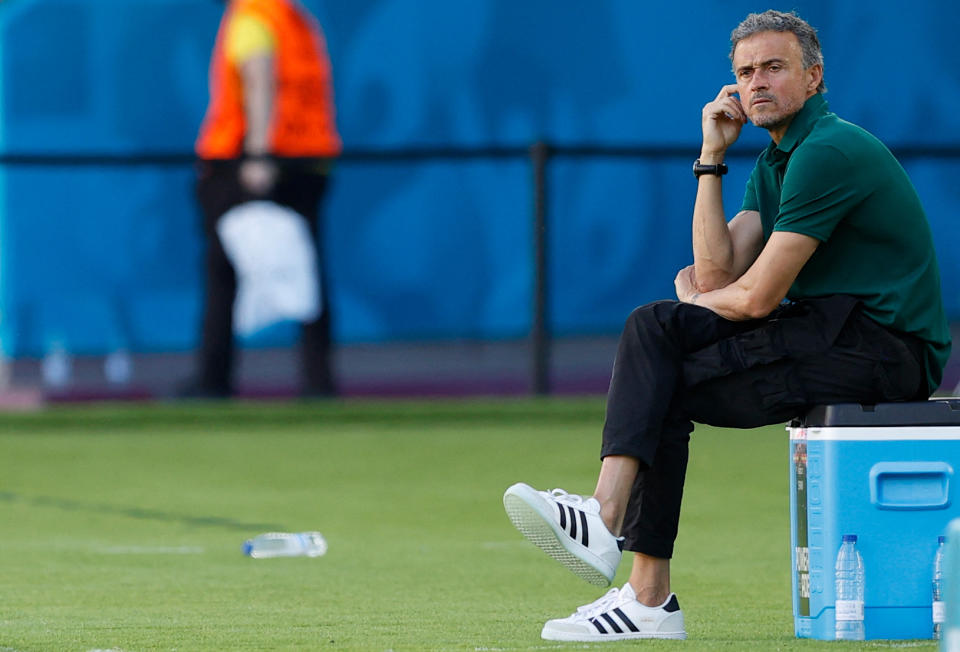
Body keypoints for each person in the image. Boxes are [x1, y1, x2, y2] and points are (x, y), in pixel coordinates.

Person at [503, 9, 951, 642]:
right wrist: (711, 157)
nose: (757, 83)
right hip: (829, 329)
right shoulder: (776, 164)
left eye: (774, 67)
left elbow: (754, 296)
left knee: (658, 327)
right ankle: (646, 597)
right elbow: (720, 278)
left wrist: (695, 297)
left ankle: (608, 524)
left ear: (813, 76)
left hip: (883, 346)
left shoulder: (828, 150)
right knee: (659, 355)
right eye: (745, 72)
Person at [185, 0, 341, 398]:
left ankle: (213, 380)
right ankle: (318, 382)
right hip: (308, 161)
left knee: (222, 273)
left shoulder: (253, 16)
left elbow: (260, 79)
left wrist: (258, 153)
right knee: (307, 276)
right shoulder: (295, 19)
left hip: (248, 160)